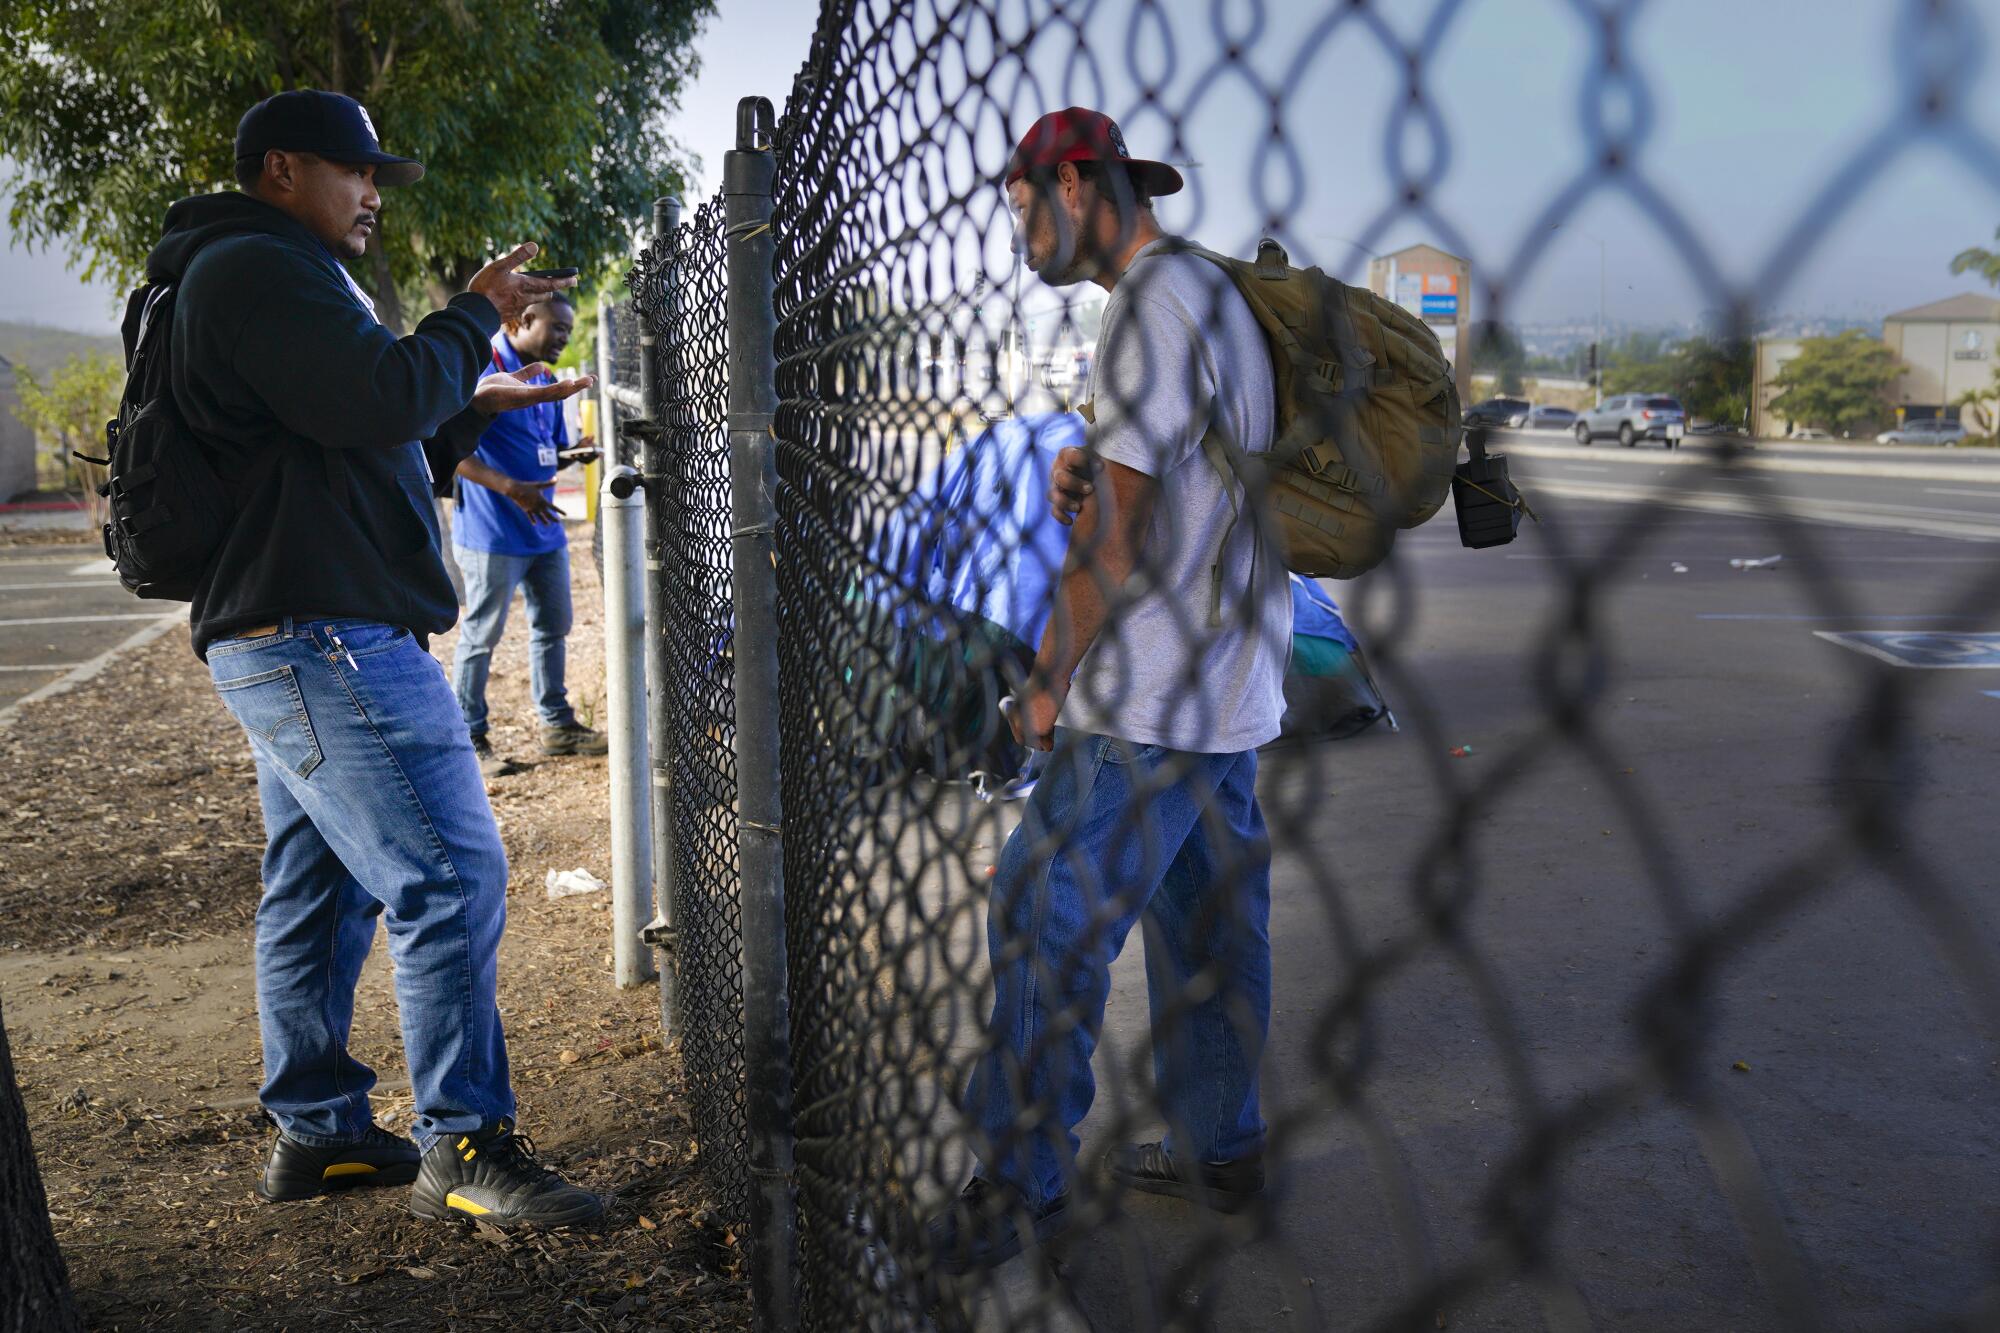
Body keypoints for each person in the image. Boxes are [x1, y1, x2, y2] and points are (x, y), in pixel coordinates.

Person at [152, 88, 604, 1229]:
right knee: (449, 876)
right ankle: (465, 1143)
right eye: (354, 175)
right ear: (280, 169)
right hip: (324, 638)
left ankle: (322, 1134)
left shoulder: (248, 268)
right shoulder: (257, 269)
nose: (370, 198)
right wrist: (472, 320)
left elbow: (346, 437)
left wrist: (466, 400)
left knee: (317, 886)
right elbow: (376, 395)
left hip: (289, 632)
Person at [932, 107, 1292, 1272]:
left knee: (1039, 917)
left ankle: (1016, 1182)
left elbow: (1118, 547)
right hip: (1230, 678)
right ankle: (1221, 1146)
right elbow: (1178, 479)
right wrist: (1089, 463)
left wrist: (1042, 687)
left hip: (1143, 699)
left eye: (1021, 205)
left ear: (1076, 184)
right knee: (1209, 924)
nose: (1017, 231)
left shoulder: (1146, 308)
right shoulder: (1212, 296)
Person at [449, 294, 606, 775]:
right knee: (481, 634)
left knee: (553, 626)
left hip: (544, 530)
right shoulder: (484, 367)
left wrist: (577, 452)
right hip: (493, 531)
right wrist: (512, 489)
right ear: (526, 319)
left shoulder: (549, 378)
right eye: (557, 327)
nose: (564, 337)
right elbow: (449, 451)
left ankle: (557, 724)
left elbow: (550, 450)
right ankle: (469, 737)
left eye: (567, 329)